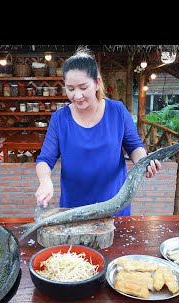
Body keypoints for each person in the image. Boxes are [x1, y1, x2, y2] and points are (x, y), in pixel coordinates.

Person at [34, 47, 161, 216]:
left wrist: (143, 163)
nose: (77, 95)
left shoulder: (117, 111)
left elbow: (134, 146)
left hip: (114, 205)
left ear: (97, 83)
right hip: (74, 208)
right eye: (70, 89)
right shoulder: (60, 119)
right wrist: (44, 181)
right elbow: (45, 159)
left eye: (83, 87)